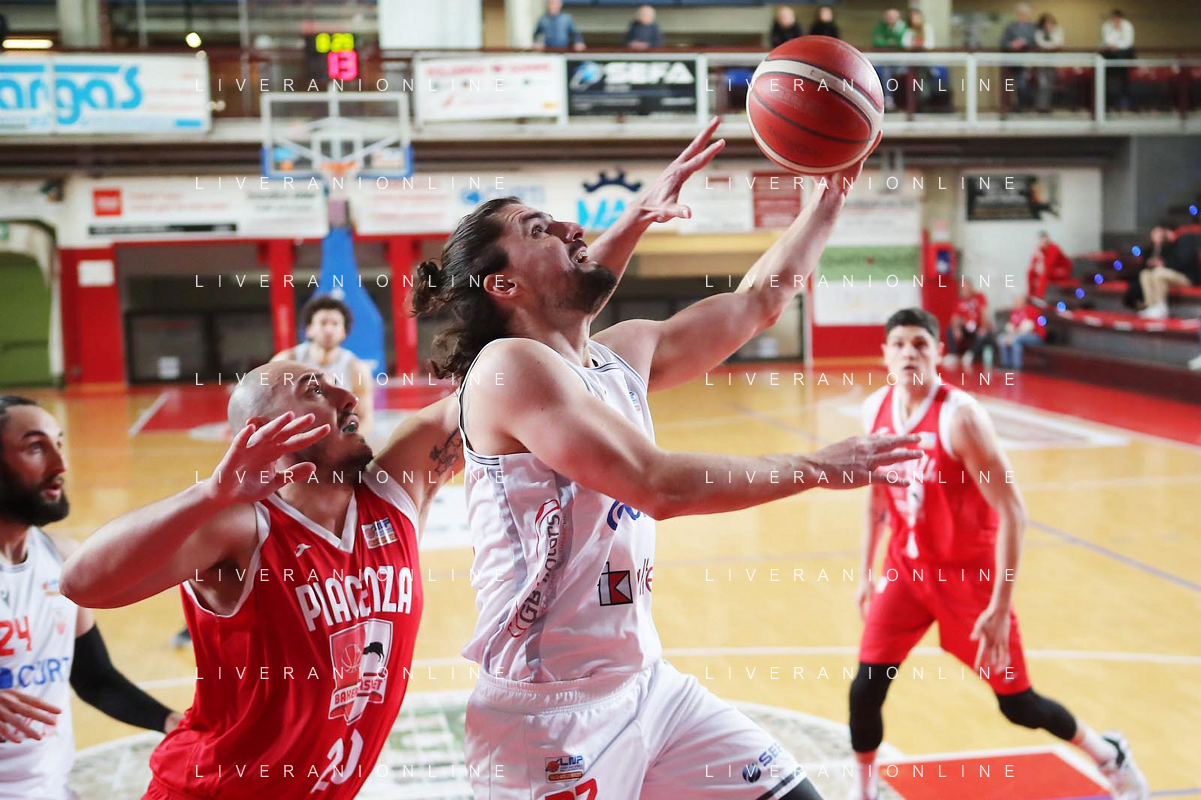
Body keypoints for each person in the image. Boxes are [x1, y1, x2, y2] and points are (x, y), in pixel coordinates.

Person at [57, 126, 737, 799]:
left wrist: (629, 224)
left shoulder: (396, 486)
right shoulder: (241, 525)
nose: (344, 394)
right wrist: (209, 492)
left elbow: (547, 323)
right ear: (268, 432)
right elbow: (82, 582)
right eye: (313, 389)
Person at [413, 123, 911, 799]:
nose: (568, 227)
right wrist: (815, 467)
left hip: (649, 688)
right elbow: (658, 485)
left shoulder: (620, 355)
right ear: (503, 284)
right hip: (546, 717)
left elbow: (758, 304)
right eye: (538, 229)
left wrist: (827, 203)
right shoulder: (509, 368)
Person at [847, 308, 1150, 800]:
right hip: (905, 572)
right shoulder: (874, 410)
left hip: (969, 581)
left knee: (1019, 706)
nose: (908, 353)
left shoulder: (961, 419)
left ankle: (1108, 753)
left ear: (939, 351)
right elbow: (877, 500)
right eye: (898, 344)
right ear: (884, 354)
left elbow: (1014, 513)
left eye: (920, 344)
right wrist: (864, 573)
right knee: (865, 689)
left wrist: (1001, 606)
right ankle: (863, 790)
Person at [0, 396, 183, 800]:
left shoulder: (62, 558)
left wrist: (171, 721)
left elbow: (94, 679)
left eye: (58, 444)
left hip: (50, 789)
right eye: (35, 447)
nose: (60, 465)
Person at [274, 294, 375, 437]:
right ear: (309, 329)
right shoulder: (285, 361)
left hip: (336, 437)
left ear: (344, 332)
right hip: (294, 437)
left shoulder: (357, 369)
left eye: (335, 324)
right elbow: (267, 406)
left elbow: (366, 419)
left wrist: (346, 442)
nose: (329, 330)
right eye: (323, 323)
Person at [1138, 224, 1191, 319]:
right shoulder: (1161, 246)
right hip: (1168, 275)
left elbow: (1181, 264)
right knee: (1145, 274)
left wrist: (1163, 264)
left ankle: (1161, 308)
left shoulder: (1183, 243)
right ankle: (1151, 306)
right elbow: (1144, 264)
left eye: (1162, 233)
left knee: (1158, 273)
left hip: (1186, 277)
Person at [1000, 3, 1038, 111]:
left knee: (1024, 84)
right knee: (1010, 84)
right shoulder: (1011, 27)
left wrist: (1024, 42)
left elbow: (1037, 41)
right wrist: (1011, 44)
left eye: (1024, 13)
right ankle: (1012, 106)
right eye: (1020, 13)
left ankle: (1025, 106)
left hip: (1029, 61)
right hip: (1012, 60)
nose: (1022, 15)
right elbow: (1003, 42)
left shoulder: (1034, 27)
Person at [945, 281, 987, 367]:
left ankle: (970, 354)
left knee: (982, 335)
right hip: (965, 328)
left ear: (971, 288)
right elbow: (955, 317)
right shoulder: (959, 301)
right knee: (950, 330)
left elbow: (984, 313)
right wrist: (956, 329)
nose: (965, 291)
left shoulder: (979, 297)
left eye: (967, 288)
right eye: (963, 289)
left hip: (977, 327)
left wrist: (983, 327)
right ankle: (952, 355)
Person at [872, 9, 907, 110]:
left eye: (892, 17)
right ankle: (885, 99)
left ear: (898, 18)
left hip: (900, 62)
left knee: (892, 71)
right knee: (884, 70)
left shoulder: (903, 27)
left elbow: (902, 43)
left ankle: (902, 102)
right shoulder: (880, 26)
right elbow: (877, 42)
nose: (890, 19)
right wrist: (891, 42)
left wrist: (887, 42)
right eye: (888, 17)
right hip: (884, 61)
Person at [996, 298, 1046, 370]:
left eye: (1017, 302)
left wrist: (1012, 336)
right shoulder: (1015, 312)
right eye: (1015, 302)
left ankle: (1016, 366)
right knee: (1001, 339)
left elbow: (1028, 328)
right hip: (1018, 334)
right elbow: (1010, 327)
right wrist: (1009, 336)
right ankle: (1005, 364)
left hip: (1036, 335)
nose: (1015, 304)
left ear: (1023, 303)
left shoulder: (1031, 310)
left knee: (1016, 340)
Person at [1101, 9, 1135, 110]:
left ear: (1120, 18)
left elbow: (1128, 43)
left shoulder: (1127, 26)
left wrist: (1117, 45)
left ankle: (1124, 100)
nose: (1115, 20)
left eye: (1117, 18)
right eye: (1113, 18)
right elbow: (1107, 41)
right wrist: (1115, 30)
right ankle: (1106, 101)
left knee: (1124, 77)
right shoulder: (1106, 26)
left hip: (1124, 55)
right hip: (1110, 55)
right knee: (1105, 77)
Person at [1027, 231, 1073, 299]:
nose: (1042, 240)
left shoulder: (1053, 248)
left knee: (1044, 274)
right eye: (1041, 238)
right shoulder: (1040, 249)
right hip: (1050, 270)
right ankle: (1031, 295)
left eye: (1043, 238)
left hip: (1061, 270)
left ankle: (1040, 297)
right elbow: (1034, 264)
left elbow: (1049, 264)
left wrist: (1041, 256)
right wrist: (1036, 266)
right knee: (1030, 272)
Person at [1033, 13, 1063, 112]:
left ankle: (1047, 106)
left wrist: (1051, 39)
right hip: (1041, 63)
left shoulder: (1057, 31)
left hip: (1052, 63)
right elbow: (1041, 44)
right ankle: (1040, 106)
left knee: (1050, 85)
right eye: (1046, 23)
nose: (1049, 25)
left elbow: (1059, 43)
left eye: (1051, 23)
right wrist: (1052, 45)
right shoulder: (1039, 32)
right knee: (1042, 85)